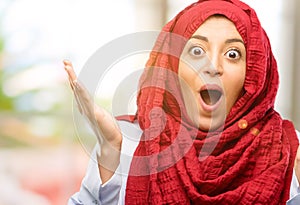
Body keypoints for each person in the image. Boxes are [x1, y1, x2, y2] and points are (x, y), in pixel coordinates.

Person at [64, 0, 300, 204]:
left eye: (232, 54)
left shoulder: (291, 150)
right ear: (171, 67)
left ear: (254, 76)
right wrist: (110, 153)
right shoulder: (126, 140)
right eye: (197, 51)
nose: (213, 67)